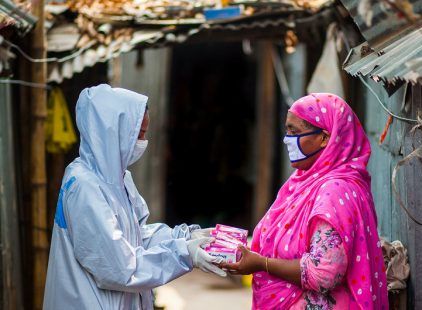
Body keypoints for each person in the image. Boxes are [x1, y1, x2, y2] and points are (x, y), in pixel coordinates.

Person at [43, 84, 225, 310]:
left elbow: (135, 238)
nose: (142, 143)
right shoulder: (84, 186)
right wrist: (183, 254)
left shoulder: (119, 179)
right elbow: (120, 267)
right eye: (138, 135)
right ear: (113, 132)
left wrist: (185, 236)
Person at [221, 93, 389, 309]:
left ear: (325, 138)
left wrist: (261, 264)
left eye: (295, 131)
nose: (286, 139)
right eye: (287, 130)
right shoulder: (303, 182)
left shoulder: (335, 190)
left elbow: (324, 274)